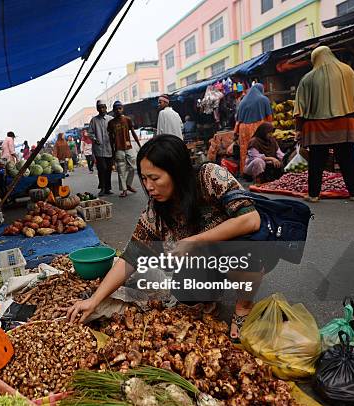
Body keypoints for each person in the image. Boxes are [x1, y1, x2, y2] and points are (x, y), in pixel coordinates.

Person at [66, 135, 263, 341]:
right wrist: (95, 300)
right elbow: (131, 256)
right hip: (207, 259)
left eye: (155, 178)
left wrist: (195, 240)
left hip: (236, 248)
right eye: (144, 178)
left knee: (243, 251)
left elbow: (251, 219)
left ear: (176, 172)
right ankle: (209, 296)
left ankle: (243, 306)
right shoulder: (156, 209)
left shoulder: (209, 176)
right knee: (184, 289)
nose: (149, 186)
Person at [295, 46, 354, 202]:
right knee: (347, 159)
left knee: (316, 161)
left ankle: (313, 195)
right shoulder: (347, 71)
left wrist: (298, 129)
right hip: (345, 124)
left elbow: (299, 109)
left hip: (316, 127)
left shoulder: (308, 78)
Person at [235, 84, 273, 174]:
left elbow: (238, 120)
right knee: (258, 148)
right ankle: (260, 172)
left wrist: (235, 133)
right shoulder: (263, 99)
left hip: (243, 129)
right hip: (257, 127)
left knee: (245, 150)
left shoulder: (243, 101)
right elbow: (269, 116)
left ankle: (245, 171)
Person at [108, 101, 142, 198]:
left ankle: (128, 184)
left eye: (120, 108)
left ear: (122, 109)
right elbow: (111, 138)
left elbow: (133, 132)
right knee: (121, 170)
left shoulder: (127, 119)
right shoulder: (111, 123)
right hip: (118, 149)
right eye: (116, 109)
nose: (118, 110)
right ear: (114, 110)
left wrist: (139, 144)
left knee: (133, 167)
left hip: (128, 147)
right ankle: (124, 190)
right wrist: (112, 151)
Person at [88, 100, 114, 196]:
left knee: (109, 169)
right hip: (99, 150)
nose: (102, 109)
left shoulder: (111, 119)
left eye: (103, 107)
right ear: (97, 109)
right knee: (102, 168)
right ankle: (102, 187)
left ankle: (108, 188)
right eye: (100, 107)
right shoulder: (94, 120)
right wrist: (95, 139)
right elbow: (90, 133)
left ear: (106, 108)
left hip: (109, 148)